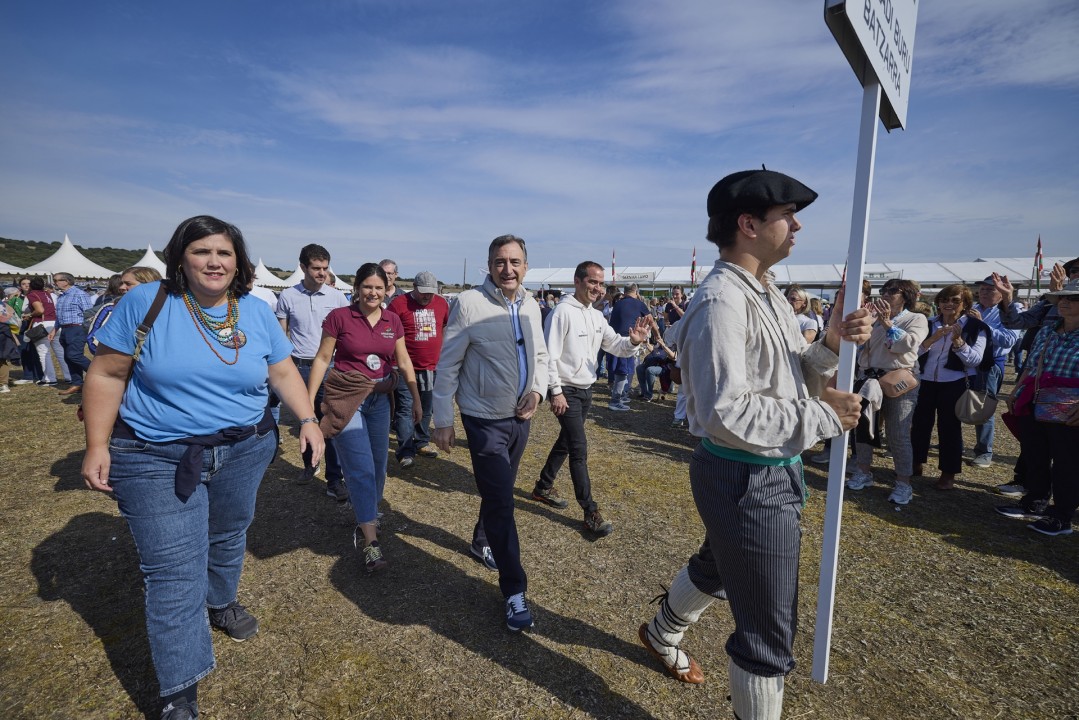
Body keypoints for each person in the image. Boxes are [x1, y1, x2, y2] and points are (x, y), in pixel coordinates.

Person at [637, 169, 870, 720]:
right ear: (748, 224)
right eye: (787, 216)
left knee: (718, 563)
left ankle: (662, 630)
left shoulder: (766, 293)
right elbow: (728, 412)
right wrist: (824, 416)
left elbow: (788, 372)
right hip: (746, 473)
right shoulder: (722, 301)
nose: (797, 227)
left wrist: (831, 342)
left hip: (763, 469)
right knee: (767, 633)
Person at [81, 215, 324, 720]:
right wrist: (96, 444)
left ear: (238, 262)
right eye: (201, 251)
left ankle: (220, 601)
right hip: (153, 454)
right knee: (173, 572)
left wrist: (307, 419)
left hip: (245, 448)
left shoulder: (254, 311)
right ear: (181, 258)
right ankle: (180, 690)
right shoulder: (146, 301)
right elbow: (106, 373)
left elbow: (282, 370)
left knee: (229, 533)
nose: (214, 262)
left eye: (224, 253)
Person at [433, 235, 549, 632]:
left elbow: (540, 356)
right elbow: (448, 364)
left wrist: (538, 391)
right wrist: (443, 419)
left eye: (515, 262)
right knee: (502, 502)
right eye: (500, 262)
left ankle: (481, 539)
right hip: (483, 420)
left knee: (499, 491)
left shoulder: (531, 304)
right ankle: (514, 590)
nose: (508, 269)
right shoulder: (469, 303)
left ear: (526, 266)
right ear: (489, 265)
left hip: (521, 417)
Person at [308, 263, 421, 574]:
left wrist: (415, 398)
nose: (373, 292)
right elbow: (322, 358)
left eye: (379, 287)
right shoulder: (340, 317)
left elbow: (403, 360)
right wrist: (307, 404)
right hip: (348, 398)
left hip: (380, 400)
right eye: (367, 286)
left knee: (379, 465)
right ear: (357, 288)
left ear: (387, 289)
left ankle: (367, 511)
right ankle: (370, 541)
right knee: (360, 468)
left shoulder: (392, 320)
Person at [534, 260, 650, 537]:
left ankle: (543, 486)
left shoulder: (597, 316)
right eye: (592, 282)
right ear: (577, 281)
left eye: (601, 283)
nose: (598, 288)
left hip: (586, 390)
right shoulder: (562, 312)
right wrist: (555, 391)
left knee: (566, 442)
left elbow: (616, 346)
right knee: (578, 449)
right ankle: (590, 511)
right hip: (567, 391)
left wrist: (634, 341)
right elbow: (548, 355)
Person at [994, 278, 1079, 536]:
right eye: (1062, 297)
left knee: (1067, 462)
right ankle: (1035, 501)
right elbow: (1032, 363)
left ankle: (1062, 516)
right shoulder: (1048, 329)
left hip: (1070, 407)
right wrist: (1017, 390)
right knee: (1035, 454)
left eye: (1072, 298)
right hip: (1036, 399)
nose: (1064, 302)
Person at [845, 279, 929, 504]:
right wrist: (867, 323)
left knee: (898, 433)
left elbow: (909, 344)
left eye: (893, 291)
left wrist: (887, 324)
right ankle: (864, 471)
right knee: (863, 426)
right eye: (884, 290)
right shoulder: (873, 318)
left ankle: (903, 483)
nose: (886, 294)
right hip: (869, 378)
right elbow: (858, 345)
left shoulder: (916, 318)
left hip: (898, 381)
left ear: (906, 295)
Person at [276, 244, 350, 496]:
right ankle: (310, 464)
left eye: (325, 268)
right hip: (300, 368)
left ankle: (334, 479)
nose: (322, 273)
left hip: (331, 368)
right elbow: (281, 335)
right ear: (302, 267)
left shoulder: (337, 298)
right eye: (316, 268)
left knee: (331, 424)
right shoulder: (287, 296)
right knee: (306, 419)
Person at [911, 284, 992, 490]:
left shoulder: (976, 327)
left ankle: (948, 473)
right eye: (944, 299)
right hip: (925, 380)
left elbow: (975, 360)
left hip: (955, 382)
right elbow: (912, 354)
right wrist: (932, 339)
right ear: (938, 303)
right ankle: (915, 462)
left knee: (949, 428)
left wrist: (958, 342)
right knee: (919, 424)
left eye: (955, 300)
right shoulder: (928, 323)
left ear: (965, 304)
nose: (949, 304)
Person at [386, 270, 450, 468]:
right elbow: (388, 332)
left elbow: (445, 326)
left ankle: (421, 441)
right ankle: (405, 450)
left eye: (430, 292)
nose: (427, 296)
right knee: (406, 408)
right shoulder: (398, 304)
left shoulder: (442, 304)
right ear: (414, 288)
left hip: (432, 366)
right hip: (405, 367)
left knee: (427, 406)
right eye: (423, 292)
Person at [968, 276, 1020, 468]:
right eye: (982, 289)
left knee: (984, 407)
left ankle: (984, 452)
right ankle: (953, 443)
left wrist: (982, 325)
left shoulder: (1011, 311)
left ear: (1002, 293)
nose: (984, 292)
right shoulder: (973, 308)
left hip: (989, 365)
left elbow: (1008, 340)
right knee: (956, 401)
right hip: (965, 362)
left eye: (990, 289)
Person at [86, 266, 163, 356]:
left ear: (147, 284)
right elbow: (93, 341)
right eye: (122, 283)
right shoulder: (111, 308)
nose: (121, 287)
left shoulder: (167, 310)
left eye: (128, 284)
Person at [606, 283, 649, 410]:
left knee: (620, 371)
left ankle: (621, 396)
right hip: (627, 342)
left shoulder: (618, 303)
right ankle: (615, 401)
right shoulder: (638, 303)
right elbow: (650, 319)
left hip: (614, 340)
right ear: (636, 291)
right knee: (622, 372)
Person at [52, 272, 96, 396]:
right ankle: (77, 383)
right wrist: (54, 330)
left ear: (66, 281)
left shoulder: (80, 294)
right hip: (65, 329)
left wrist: (85, 329)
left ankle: (98, 374)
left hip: (77, 328)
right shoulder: (61, 296)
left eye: (56, 280)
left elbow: (89, 313)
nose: (54, 283)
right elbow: (59, 316)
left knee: (74, 355)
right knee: (68, 357)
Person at [26, 276, 70, 386]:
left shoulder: (32, 295)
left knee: (44, 352)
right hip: (55, 323)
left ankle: (50, 378)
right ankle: (69, 376)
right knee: (60, 352)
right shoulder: (48, 293)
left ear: (31, 285)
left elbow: (40, 310)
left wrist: (30, 315)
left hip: (42, 324)